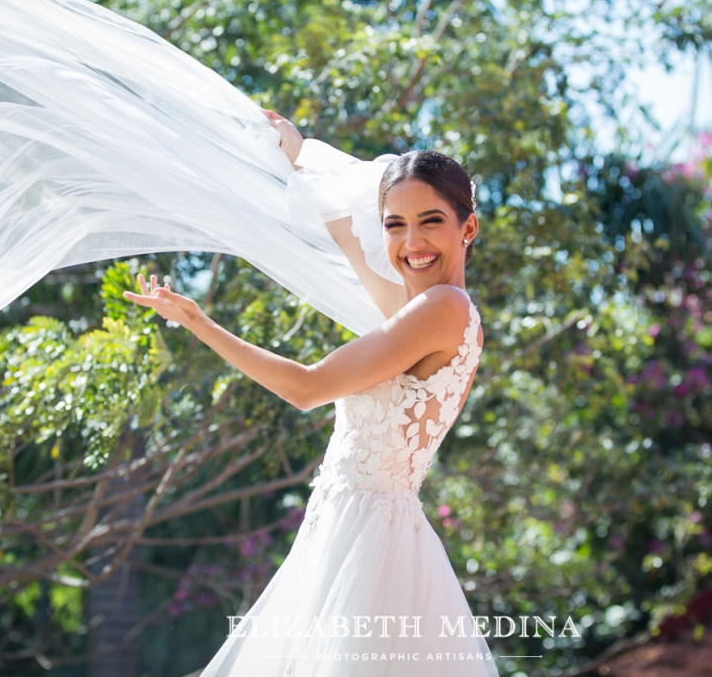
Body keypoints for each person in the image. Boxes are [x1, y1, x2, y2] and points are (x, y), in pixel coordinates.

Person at [123, 112, 498, 676]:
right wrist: (299, 156)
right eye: (394, 225)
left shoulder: (442, 309)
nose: (410, 242)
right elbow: (351, 240)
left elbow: (306, 387)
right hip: (357, 526)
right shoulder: (427, 311)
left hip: (369, 541)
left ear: (467, 229)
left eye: (430, 221)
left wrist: (198, 321)